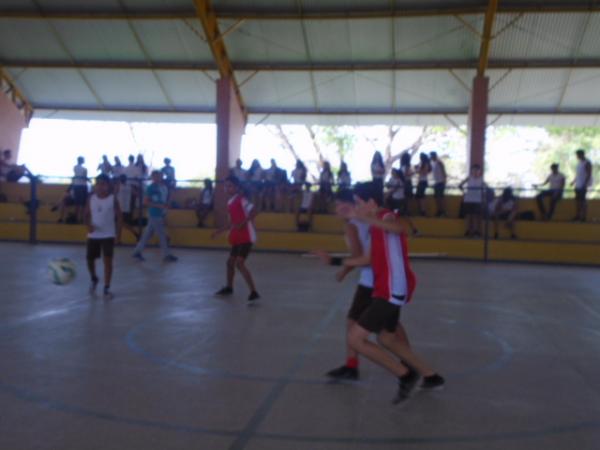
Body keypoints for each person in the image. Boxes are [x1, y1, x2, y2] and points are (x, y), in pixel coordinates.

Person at [338, 182, 445, 403]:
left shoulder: (386, 216)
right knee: (387, 338)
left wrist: (365, 217)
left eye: (359, 203)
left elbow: (399, 228)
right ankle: (430, 376)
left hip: (391, 290)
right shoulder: (377, 227)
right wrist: (334, 262)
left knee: (355, 339)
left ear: (371, 203)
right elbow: (367, 259)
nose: (356, 207)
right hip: (386, 289)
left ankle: (405, 376)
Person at [314, 190, 420, 381]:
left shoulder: (353, 225)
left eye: (341, 205)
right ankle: (407, 361)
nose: (337, 209)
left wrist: (336, 264)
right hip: (375, 279)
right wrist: (343, 270)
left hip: (372, 282)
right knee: (390, 326)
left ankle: (355, 366)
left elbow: (361, 257)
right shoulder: (364, 221)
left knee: (358, 325)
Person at [212, 176, 260, 302]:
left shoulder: (241, 199)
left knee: (239, 263)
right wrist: (219, 231)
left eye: (230, 186)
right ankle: (229, 287)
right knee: (230, 263)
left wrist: (243, 222)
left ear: (237, 187)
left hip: (246, 236)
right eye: (226, 186)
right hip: (237, 237)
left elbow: (254, 211)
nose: (227, 188)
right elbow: (231, 222)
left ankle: (253, 291)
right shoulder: (230, 202)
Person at [84, 174, 121, 300]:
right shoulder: (91, 198)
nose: (100, 186)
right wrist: (88, 226)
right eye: (98, 184)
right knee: (90, 260)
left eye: (103, 184)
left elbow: (120, 217)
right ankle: (94, 278)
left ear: (108, 186)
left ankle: (106, 288)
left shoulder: (112, 199)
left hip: (108, 234)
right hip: (93, 235)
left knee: (108, 261)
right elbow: (85, 215)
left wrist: (118, 234)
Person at [132, 170, 178, 263]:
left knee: (147, 235)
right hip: (154, 214)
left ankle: (137, 251)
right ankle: (166, 254)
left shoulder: (164, 187)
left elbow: (164, 200)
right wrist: (159, 206)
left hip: (160, 214)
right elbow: (146, 202)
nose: (157, 178)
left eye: (159, 176)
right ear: (152, 177)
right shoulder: (150, 188)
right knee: (162, 235)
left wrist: (166, 207)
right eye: (155, 176)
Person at [459, 165, 485, 237]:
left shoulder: (481, 180)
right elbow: (460, 185)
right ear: (471, 171)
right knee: (468, 216)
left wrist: (482, 198)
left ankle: (476, 231)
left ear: (480, 171)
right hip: (468, 200)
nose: (476, 172)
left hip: (477, 200)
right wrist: (464, 193)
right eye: (474, 170)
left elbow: (485, 189)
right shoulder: (469, 178)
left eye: (477, 170)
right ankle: (468, 231)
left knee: (476, 216)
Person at [114, 174, 139, 240]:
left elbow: (114, 196)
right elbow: (137, 194)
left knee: (119, 223)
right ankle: (119, 238)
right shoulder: (129, 186)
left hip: (120, 207)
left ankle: (118, 239)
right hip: (126, 208)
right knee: (120, 223)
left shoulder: (119, 186)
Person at [571, 149, 593, 222]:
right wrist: (574, 181)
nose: (577, 156)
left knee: (582, 201)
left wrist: (585, 184)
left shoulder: (587, 162)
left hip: (583, 185)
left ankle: (583, 217)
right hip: (578, 185)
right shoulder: (579, 163)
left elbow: (589, 174)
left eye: (578, 155)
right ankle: (578, 215)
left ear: (582, 154)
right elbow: (578, 174)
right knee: (578, 201)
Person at [430, 152, 447, 217]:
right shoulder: (432, 163)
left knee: (441, 198)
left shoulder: (439, 162)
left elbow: (444, 172)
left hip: (441, 182)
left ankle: (443, 212)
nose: (431, 157)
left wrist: (444, 181)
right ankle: (439, 211)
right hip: (436, 183)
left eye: (432, 156)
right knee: (437, 198)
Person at [71, 156, 88, 223]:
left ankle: (77, 218)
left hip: (76, 185)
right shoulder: (84, 169)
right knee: (83, 204)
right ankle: (81, 218)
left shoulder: (75, 167)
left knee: (78, 204)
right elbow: (85, 177)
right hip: (82, 186)